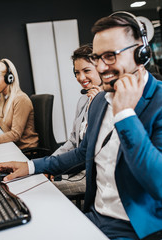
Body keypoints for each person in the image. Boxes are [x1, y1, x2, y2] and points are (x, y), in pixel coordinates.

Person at [0, 12, 162, 240]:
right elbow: (83, 152)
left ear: (141, 54)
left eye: (110, 56)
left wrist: (125, 116)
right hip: (97, 216)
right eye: (97, 57)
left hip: (144, 227)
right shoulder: (100, 101)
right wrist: (31, 167)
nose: (101, 67)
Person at [51, 44, 102, 200]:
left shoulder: (111, 102)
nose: (80, 78)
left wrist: (97, 106)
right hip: (77, 169)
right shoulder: (82, 101)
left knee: (48, 193)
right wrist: (50, 164)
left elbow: (96, 147)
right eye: (76, 73)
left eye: (86, 71)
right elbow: (73, 141)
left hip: (96, 176)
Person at [0, 58, 39, 150]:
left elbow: (15, 135)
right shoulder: (3, 100)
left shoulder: (20, 99)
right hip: (13, 147)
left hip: (26, 151)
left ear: (9, 78)